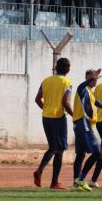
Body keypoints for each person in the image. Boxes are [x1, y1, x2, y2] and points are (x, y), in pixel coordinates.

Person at [72, 69, 102, 191]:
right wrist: (91, 78)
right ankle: (81, 179)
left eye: (96, 79)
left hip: (82, 124)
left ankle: (77, 182)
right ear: (88, 78)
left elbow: (96, 102)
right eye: (94, 79)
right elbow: (81, 86)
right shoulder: (82, 89)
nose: (96, 81)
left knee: (81, 154)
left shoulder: (89, 92)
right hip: (83, 124)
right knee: (97, 152)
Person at [33, 57, 74, 190]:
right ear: (68, 70)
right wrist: (75, 115)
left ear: (56, 68)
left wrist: (46, 109)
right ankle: (54, 182)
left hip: (46, 117)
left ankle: (40, 170)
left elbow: (37, 99)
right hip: (58, 117)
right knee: (60, 150)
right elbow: (65, 102)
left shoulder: (46, 80)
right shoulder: (67, 82)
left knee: (52, 147)